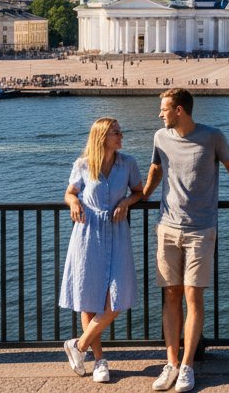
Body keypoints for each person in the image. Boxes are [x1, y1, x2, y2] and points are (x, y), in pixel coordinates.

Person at [141, 88, 229, 393]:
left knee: (193, 297)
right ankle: (171, 363)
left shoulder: (213, 137)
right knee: (171, 294)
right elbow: (156, 168)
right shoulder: (160, 137)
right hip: (167, 227)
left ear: (180, 110)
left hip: (200, 229)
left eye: (164, 109)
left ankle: (187, 367)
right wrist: (141, 196)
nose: (159, 114)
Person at [59, 117, 143, 383]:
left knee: (118, 297)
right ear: (102, 137)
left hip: (117, 232)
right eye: (116, 133)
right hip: (87, 233)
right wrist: (73, 202)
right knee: (89, 297)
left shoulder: (128, 163)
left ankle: (78, 345)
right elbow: (70, 193)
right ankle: (99, 361)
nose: (121, 136)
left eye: (120, 131)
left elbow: (140, 192)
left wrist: (127, 202)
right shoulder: (82, 165)